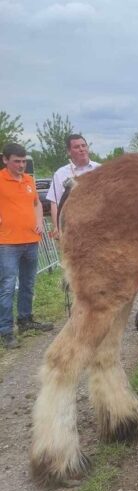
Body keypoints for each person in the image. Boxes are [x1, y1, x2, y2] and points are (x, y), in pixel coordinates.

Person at [0, 143, 54, 348]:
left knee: (28, 284)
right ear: (6, 160)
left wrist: (39, 221)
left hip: (31, 240)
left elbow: (37, 203)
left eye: (23, 161)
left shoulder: (29, 180)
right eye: (17, 161)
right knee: (6, 287)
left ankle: (25, 320)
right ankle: (5, 330)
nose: (21, 165)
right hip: (6, 243)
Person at [47, 134, 100, 237]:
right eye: (77, 147)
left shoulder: (100, 169)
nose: (81, 149)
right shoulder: (61, 174)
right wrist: (57, 227)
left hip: (97, 226)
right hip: (72, 228)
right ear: (69, 151)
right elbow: (54, 202)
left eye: (83, 145)